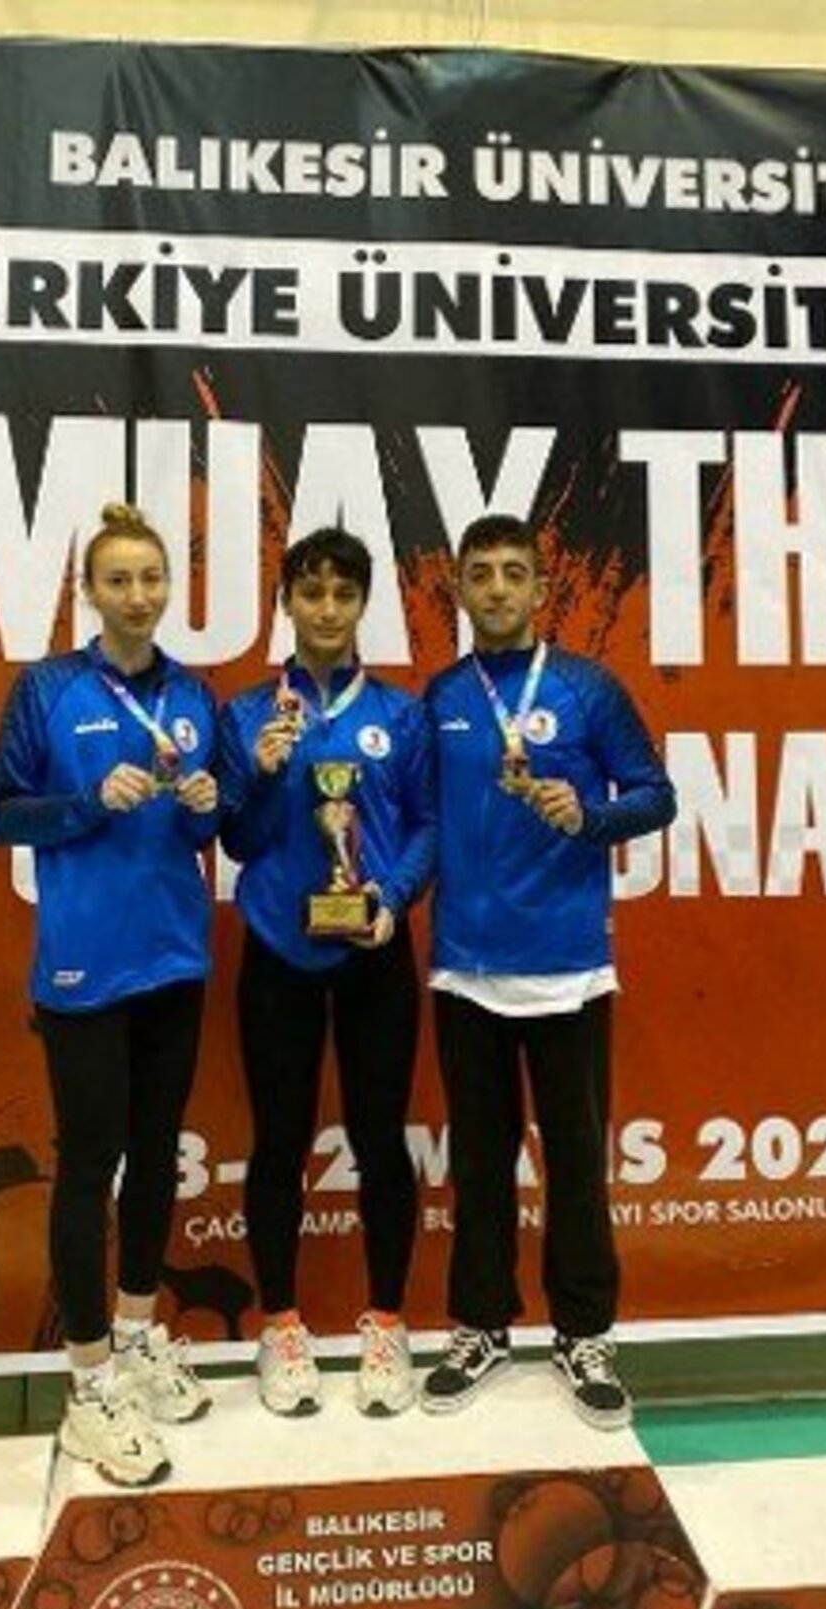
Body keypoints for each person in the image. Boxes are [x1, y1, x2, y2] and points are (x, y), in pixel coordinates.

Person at [420, 513, 676, 1429]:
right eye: (480, 573)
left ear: (540, 587)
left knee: (573, 1163)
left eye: (512, 572)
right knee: (480, 1162)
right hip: (466, 967)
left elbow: (656, 795)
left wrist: (590, 814)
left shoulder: (586, 687)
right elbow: (417, 822)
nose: (496, 588)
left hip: (567, 968)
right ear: (460, 588)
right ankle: (482, 1326)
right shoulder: (441, 696)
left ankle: (584, 1334)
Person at [0, 503, 218, 1486]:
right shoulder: (48, 689)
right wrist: (86, 803)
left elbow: (206, 828)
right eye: (118, 579)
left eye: (151, 578)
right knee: (90, 1164)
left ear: (169, 588)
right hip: (84, 967)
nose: (137, 595)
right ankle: (87, 1387)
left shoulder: (193, 695)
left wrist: (207, 804)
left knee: (158, 1152)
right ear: (90, 591)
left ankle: (135, 1335)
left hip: (175, 959)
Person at [219, 526, 435, 1418]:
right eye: (311, 592)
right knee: (279, 1140)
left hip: (374, 949)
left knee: (381, 1140)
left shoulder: (401, 715)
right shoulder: (246, 715)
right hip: (278, 951)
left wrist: (393, 894)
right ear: (286, 603)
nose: (327, 608)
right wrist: (262, 773)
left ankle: (386, 1321)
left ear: (362, 604)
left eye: (344, 593)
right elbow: (237, 838)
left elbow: (426, 826)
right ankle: (280, 1325)